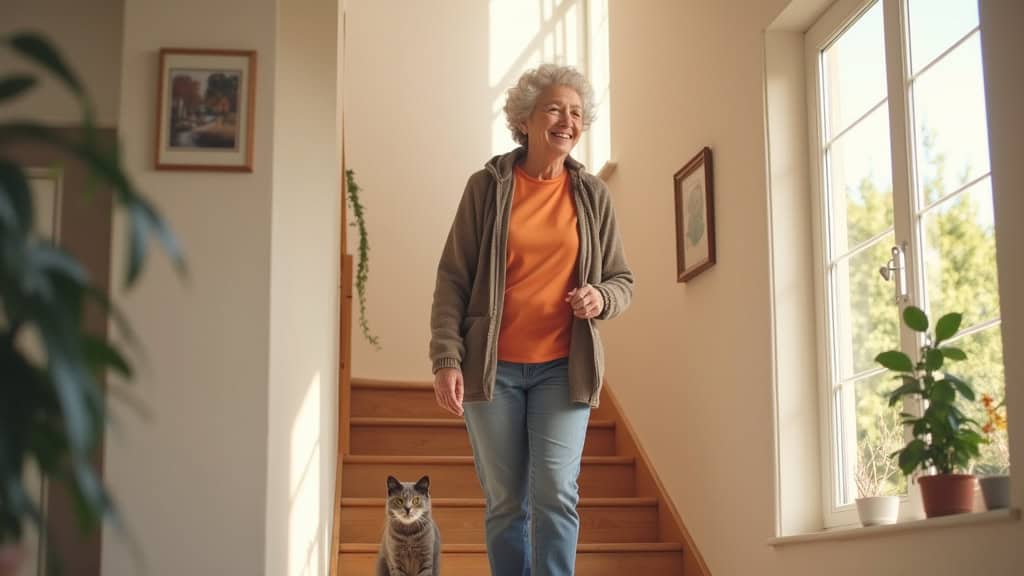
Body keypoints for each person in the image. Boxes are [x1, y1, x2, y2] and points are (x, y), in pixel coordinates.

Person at [429, 63, 633, 576]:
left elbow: (622, 281)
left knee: (557, 493)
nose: (567, 121)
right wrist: (446, 357)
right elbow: (454, 276)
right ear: (525, 119)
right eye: (555, 109)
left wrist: (601, 298)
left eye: (577, 113)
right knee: (506, 502)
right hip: (492, 370)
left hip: (563, 368)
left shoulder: (592, 196)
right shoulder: (488, 186)